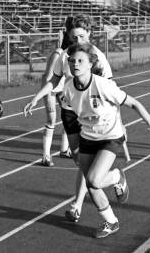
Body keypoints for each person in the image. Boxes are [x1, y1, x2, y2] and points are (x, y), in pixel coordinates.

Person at [62, 42, 150, 238]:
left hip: (110, 137)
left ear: (90, 64)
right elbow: (69, 121)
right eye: (71, 60)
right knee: (92, 186)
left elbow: (134, 103)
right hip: (88, 138)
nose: (75, 64)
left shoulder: (103, 85)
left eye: (80, 60)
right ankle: (111, 222)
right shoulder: (68, 90)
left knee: (94, 179)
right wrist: (75, 147)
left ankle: (117, 176)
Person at [23, 14, 116, 224]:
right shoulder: (65, 56)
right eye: (74, 38)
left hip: (90, 114)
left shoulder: (97, 58)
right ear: (68, 37)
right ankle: (115, 177)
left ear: (90, 34)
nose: (78, 42)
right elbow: (54, 79)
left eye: (82, 37)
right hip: (69, 111)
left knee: (85, 162)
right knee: (78, 160)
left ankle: (77, 206)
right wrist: (36, 97)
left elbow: (110, 88)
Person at [40, 29, 73, 167]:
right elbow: (48, 78)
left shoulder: (71, 55)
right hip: (51, 90)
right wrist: (47, 96)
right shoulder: (58, 54)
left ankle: (64, 149)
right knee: (51, 119)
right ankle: (46, 156)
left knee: (68, 116)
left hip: (60, 89)